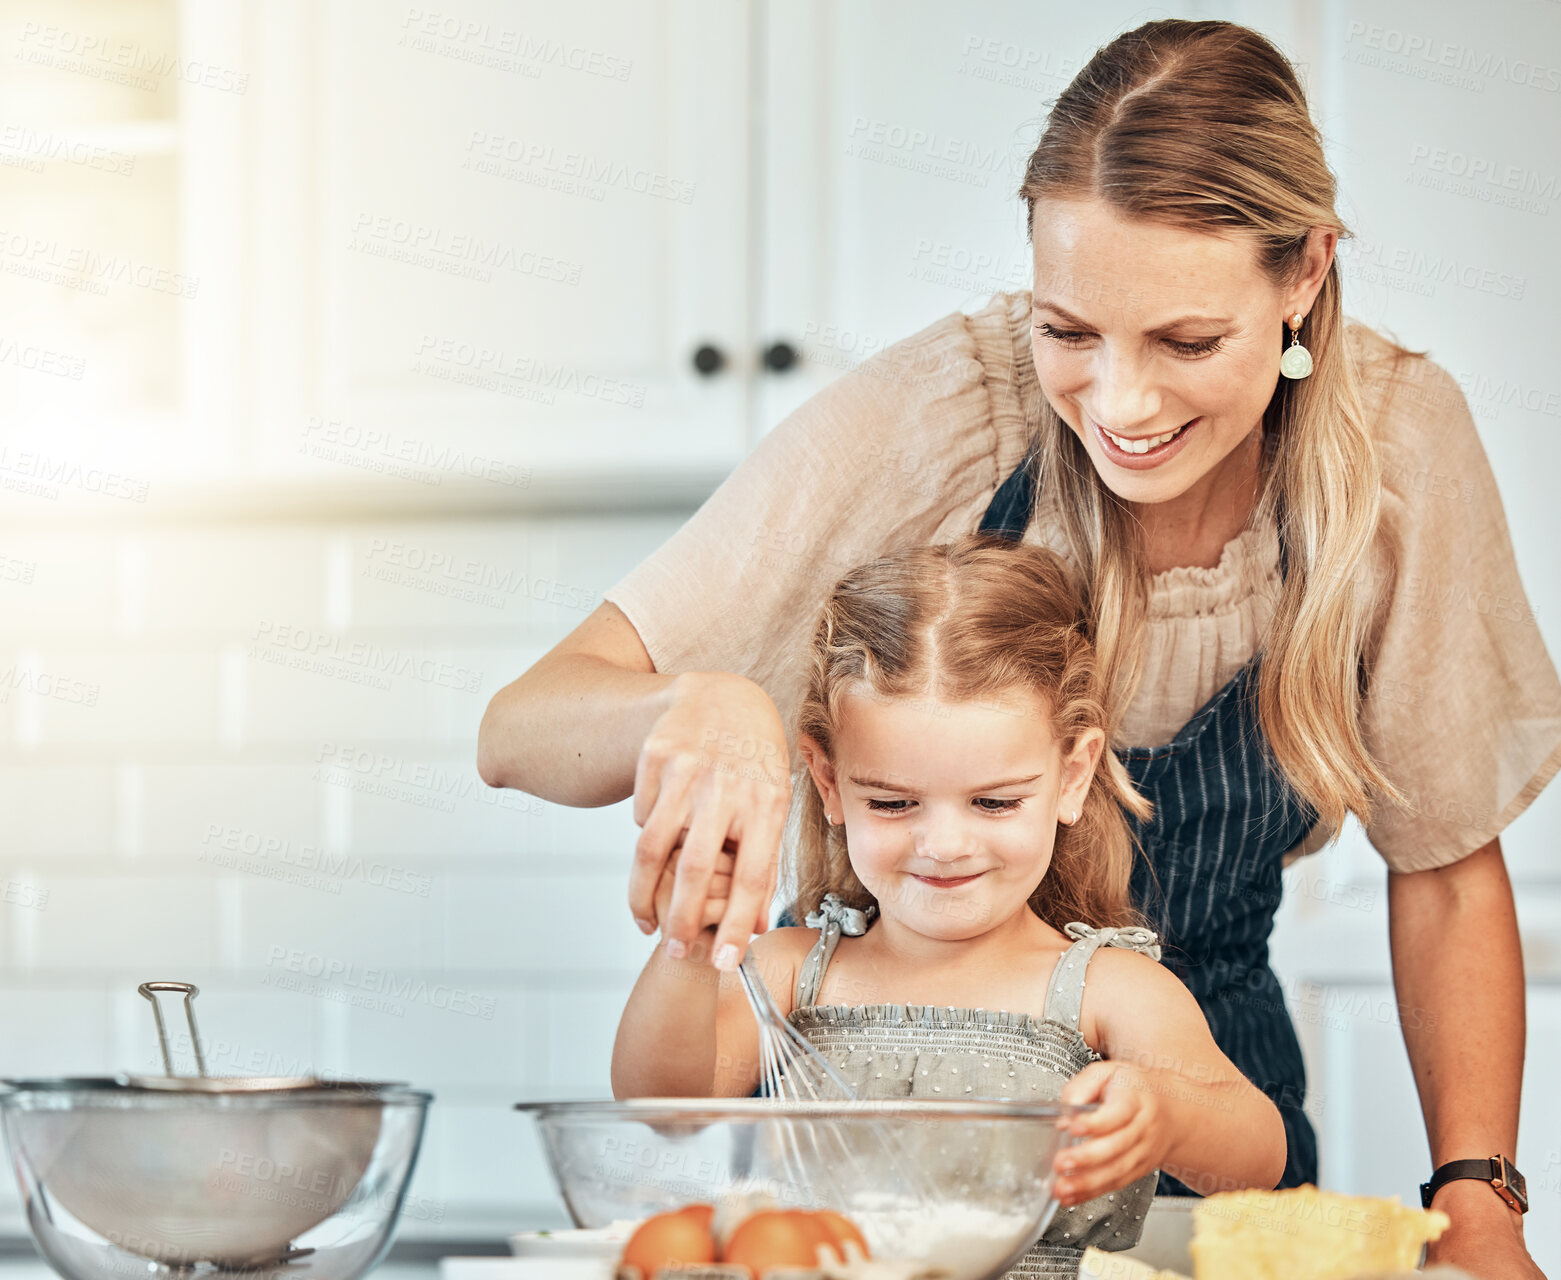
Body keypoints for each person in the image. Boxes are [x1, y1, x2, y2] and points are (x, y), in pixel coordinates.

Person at [478, 19, 1560, 1278]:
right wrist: (698, 703)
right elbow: (521, 725)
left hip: (1211, 1129)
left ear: (1305, 272)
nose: (1120, 405)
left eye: (1187, 342)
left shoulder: (1395, 448)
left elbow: (1440, 863)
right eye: (1068, 331)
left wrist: (1477, 1197)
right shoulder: (945, 413)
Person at [612, 536, 1287, 1278]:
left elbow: (1257, 1156)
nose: (943, 844)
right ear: (828, 781)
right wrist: (686, 945)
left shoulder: (1104, 988)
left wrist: (1167, 1114)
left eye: (994, 802)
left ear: (1071, 776)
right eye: (894, 802)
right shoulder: (788, 972)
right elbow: (665, 1107)